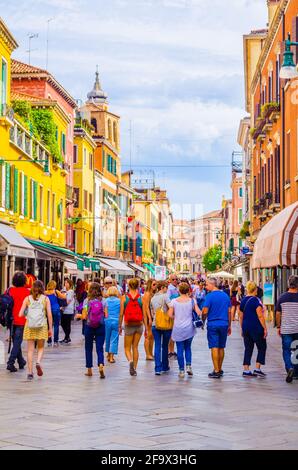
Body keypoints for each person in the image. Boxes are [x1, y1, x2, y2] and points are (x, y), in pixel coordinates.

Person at [19, 280, 53, 381]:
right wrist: (50, 328)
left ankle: (30, 372)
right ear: (42, 288)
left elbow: (20, 314)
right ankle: (38, 362)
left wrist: (27, 314)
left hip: (30, 326)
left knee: (30, 350)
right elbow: (49, 315)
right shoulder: (45, 299)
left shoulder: (27, 299)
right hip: (41, 326)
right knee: (41, 347)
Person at [168, 282, 201, 378]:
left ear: (179, 290)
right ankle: (189, 366)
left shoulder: (174, 301)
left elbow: (170, 314)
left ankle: (181, 370)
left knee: (179, 349)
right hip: (189, 327)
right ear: (188, 290)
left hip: (178, 328)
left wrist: (176, 317)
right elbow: (199, 312)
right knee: (188, 348)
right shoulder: (192, 301)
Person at [202, 277, 232, 379]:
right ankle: (220, 368)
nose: (205, 287)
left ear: (212, 285)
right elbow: (229, 311)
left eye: (206, 285)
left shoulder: (209, 296)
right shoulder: (225, 296)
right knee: (221, 347)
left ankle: (216, 370)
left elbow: (205, 311)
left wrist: (202, 320)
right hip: (224, 324)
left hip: (213, 324)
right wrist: (229, 325)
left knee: (214, 346)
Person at [75, 282, 106, 378]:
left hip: (89, 326)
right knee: (99, 348)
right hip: (101, 326)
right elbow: (106, 314)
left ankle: (89, 370)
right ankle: (101, 364)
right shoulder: (103, 301)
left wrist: (79, 315)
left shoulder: (86, 301)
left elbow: (84, 316)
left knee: (88, 348)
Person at [239, 281, 267, 378]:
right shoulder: (256, 300)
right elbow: (260, 315)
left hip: (246, 327)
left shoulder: (243, 300)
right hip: (256, 327)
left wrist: (242, 328)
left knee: (248, 348)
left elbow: (240, 316)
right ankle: (257, 368)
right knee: (262, 346)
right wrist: (265, 328)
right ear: (255, 289)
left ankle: (246, 369)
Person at [119, 278, 145, 376]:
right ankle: (134, 368)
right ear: (138, 286)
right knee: (135, 347)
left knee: (127, 348)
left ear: (129, 286)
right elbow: (144, 314)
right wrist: (146, 326)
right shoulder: (141, 298)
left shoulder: (124, 298)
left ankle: (130, 361)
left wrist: (119, 326)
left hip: (128, 325)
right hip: (139, 325)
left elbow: (121, 314)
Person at [276, 275, 298, 383]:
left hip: (286, 329)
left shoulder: (282, 297)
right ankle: (296, 373)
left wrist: (279, 326)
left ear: (289, 284)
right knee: (297, 350)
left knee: (286, 350)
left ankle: (289, 368)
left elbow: (278, 313)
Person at [6, 271, 30, 372]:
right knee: (17, 342)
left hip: (11, 320)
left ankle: (21, 361)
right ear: (24, 281)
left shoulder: (10, 291)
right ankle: (10, 362)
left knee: (16, 341)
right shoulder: (28, 292)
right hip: (22, 320)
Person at [150, 281, 173, 375]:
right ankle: (165, 366)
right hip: (165, 324)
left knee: (157, 346)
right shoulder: (165, 296)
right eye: (166, 287)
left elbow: (152, 313)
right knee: (165, 346)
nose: (167, 289)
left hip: (155, 324)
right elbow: (171, 307)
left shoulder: (153, 298)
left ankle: (157, 368)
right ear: (162, 287)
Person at [45, 280, 66, 347]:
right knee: (56, 325)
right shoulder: (56, 291)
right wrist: (64, 294)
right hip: (56, 310)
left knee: (49, 325)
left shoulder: (45, 292)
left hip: (48, 310)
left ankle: (49, 340)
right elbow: (64, 297)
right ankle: (55, 341)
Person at [104, 286, 121, 363]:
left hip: (107, 321)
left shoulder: (105, 301)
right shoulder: (119, 301)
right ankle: (111, 357)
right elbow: (121, 313)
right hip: (116, 321)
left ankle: (108, 354)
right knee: (114, 339)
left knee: (107, 338)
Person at [143, 279, 157, 361]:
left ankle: (150, 353)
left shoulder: (152, 294)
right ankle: (147, 354)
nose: (155, 286)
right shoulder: (147, 294)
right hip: (148, 317)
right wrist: (149, 318)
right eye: (154, 284)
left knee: (152, 336)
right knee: (148, 336)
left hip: (152, 316)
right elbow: (146, 308)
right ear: (150, 285)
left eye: (156, 284)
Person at [167, 274, 180, 359]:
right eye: (173, 279)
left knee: (173, 332)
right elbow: (168, 301)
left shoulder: (176, 288)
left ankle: (172, 350)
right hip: (171, 313)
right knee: (170, 332)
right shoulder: (170, 289)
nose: (175, 280)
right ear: (170, 281)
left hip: (176, 313)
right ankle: (170, 350)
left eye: (176, 279)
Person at [60, 279, 75, 344]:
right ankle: (67, 337)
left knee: (67, 324)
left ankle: (67, 337)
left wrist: (62, 306)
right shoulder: (65, 291)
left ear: (70, 284)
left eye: (67, 283)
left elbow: (68, 301)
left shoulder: (70, 291)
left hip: (68, 309)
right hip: (64, 310)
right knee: (63, 323)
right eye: (65, 283)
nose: (65, 284)